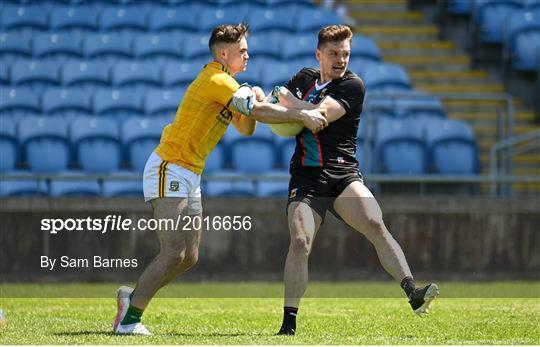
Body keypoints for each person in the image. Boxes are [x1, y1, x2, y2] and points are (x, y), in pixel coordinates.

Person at [112, 22, 328, 336]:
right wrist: (300, 114)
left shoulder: (230, 85)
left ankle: (131, 297)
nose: (248, 55)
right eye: (242, 51)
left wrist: (254, 101)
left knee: (189, 256)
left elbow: (247, 127)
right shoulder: (216, 79)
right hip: (168, 166)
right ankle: (129, 320)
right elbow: (257, 116)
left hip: (190, 172)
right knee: (174, 250)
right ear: (224, 53)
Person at [272, 25, 439, 336]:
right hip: (306, 177)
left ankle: (412, 292)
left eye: (345, 54)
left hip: (343, 173)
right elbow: (279, 100)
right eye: (334, 54)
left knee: (375, 223)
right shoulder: (304, 78)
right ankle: (288, 324)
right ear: (318, 54)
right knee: (299, 241)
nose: (341, 60)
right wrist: (273, 100)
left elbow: (319, 117)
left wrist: (289, 105)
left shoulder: (353, 85)